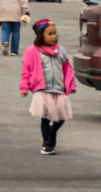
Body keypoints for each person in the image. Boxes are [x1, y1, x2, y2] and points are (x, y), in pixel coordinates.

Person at [20, 18, 77, 153]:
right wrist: (24, 87)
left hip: (58, 89)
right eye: (50, 34)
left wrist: (70, 85)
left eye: (55, 33)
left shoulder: (60, 51)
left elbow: (67, 69)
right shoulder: (32, 51)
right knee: (45, 117)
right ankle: (47, 144)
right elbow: (26, 70)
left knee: (61, 117)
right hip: (42, 90)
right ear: (41, 36)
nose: (54, 37)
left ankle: (52, 133)